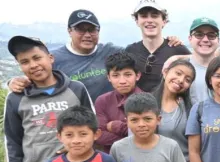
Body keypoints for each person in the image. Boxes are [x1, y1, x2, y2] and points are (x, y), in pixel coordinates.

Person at [7, 9, 184, 100]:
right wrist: (13, 81)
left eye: (92, 30)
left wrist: (172, 46)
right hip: (77, 127)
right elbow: (36, 75)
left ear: (99, 31)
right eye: (80, 30)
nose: (87, 35)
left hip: (114, 119)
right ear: (69, 31)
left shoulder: (111, 51)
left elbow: (142, 50)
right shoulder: (55, 58)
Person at [125, 0, 191, 92]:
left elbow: (200, 62)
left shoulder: (177, 49)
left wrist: (176, 58)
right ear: (137, 21)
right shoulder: (130, 51)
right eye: (144, 16)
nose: (149, 20)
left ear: (164, 21)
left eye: (154, 16)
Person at [94, 51, 145, 153]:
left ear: (137, 75)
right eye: (116, 75)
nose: (122, 81)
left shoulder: (147, 100)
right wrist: (130, 135)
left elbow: (145, 134)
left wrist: (116, 126)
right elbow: (100, 135)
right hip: (112, 158)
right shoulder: (102, 101)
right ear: (109, 77)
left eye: (128, 74)